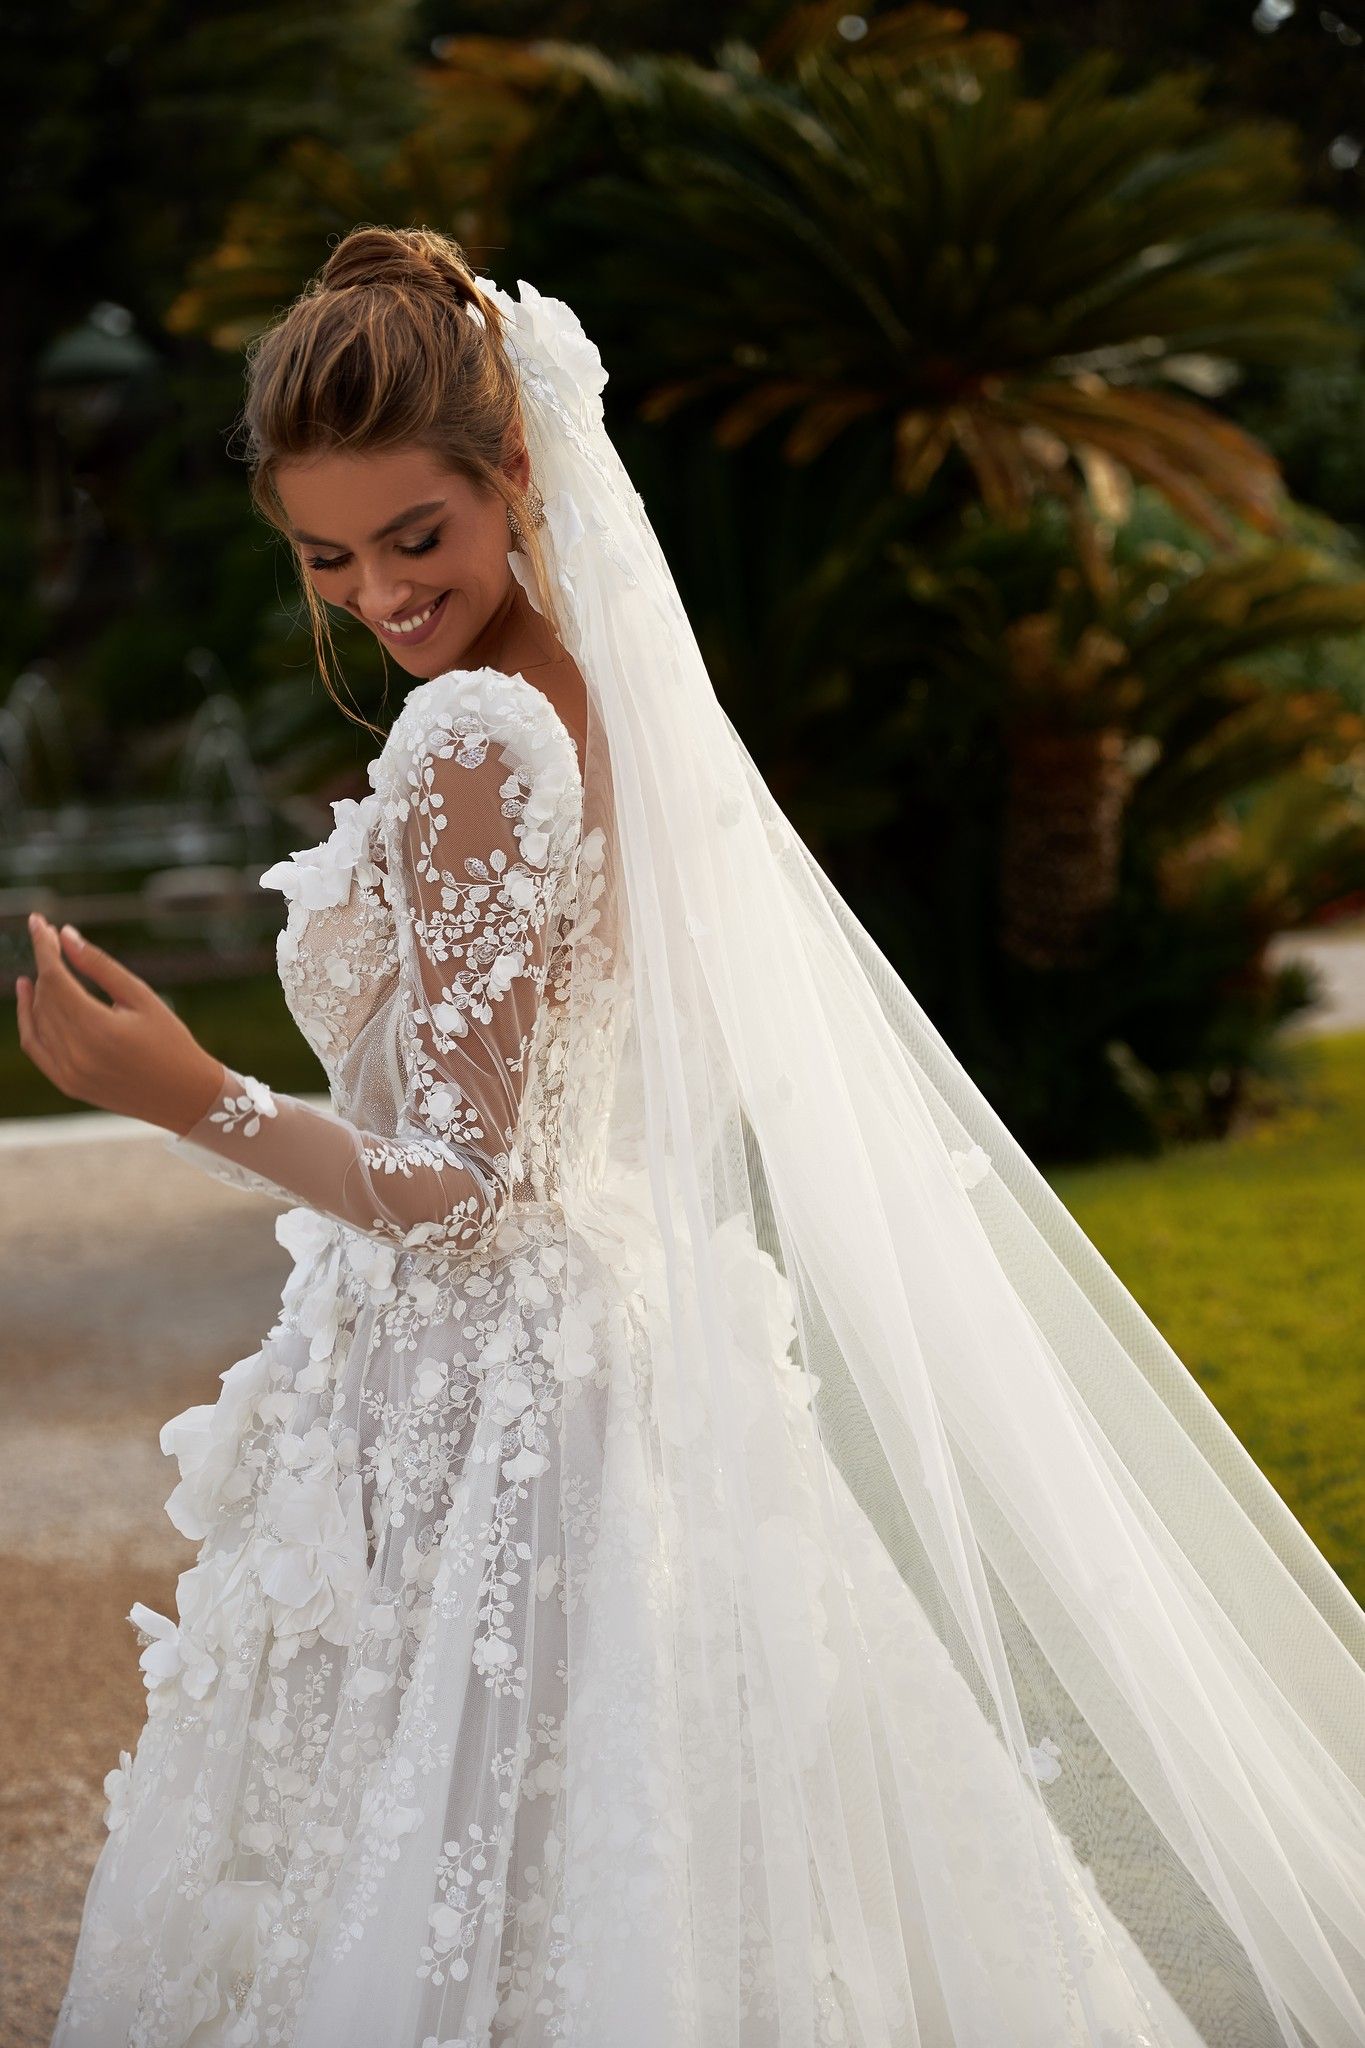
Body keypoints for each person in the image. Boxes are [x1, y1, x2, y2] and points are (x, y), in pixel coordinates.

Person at [29, 225, 1365, 2048]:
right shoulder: (587, 689)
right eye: (328, 559)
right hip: (577, 1342)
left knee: (468, 1866)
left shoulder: (478, 736)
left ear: (510, 476)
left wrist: (186, 1091)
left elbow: (467, 1187)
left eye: (416, 539)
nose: (381, 597)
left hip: (485, 1375)